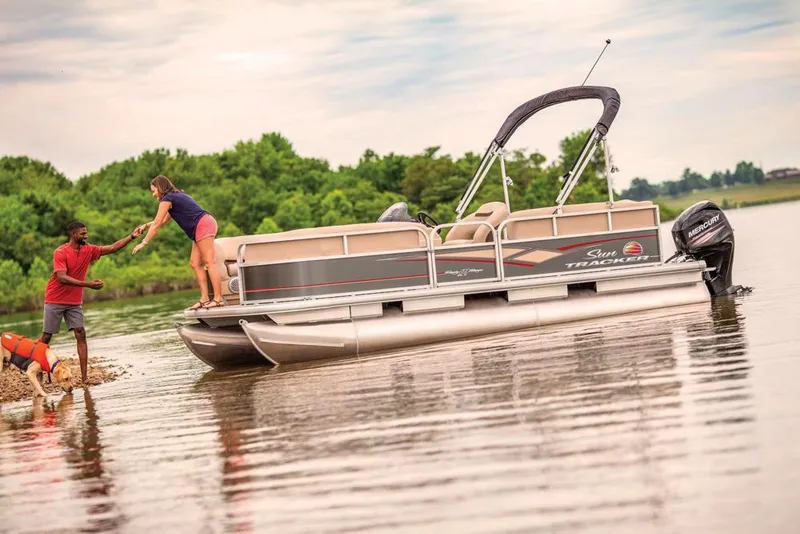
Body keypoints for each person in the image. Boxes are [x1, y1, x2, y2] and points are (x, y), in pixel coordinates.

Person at [41, 220, 148, 384]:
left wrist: (132, 236)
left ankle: (84, 379)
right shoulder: (60, 252)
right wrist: (88, 285)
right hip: (55, 299)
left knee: (80, 332)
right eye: (82, 233)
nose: (86, 236)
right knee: (47, 336)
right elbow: (62, 278)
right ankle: (34, 365)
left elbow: (112, 248)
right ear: (73, 235)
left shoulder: (88, 249)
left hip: (74, 301)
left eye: (86, 233)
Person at [132, 175, 224, 310]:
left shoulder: (167, 199)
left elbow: (157, 224)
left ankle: (218, 299)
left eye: (153, 191)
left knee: (209, 262)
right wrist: (145, 225)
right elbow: (163, 220)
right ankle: (204, 299)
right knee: (194, 263)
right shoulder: (176, 197)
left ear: (160, 188)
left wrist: (144, 243)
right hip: (202, 226)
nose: (153, 194)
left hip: (203, 224)